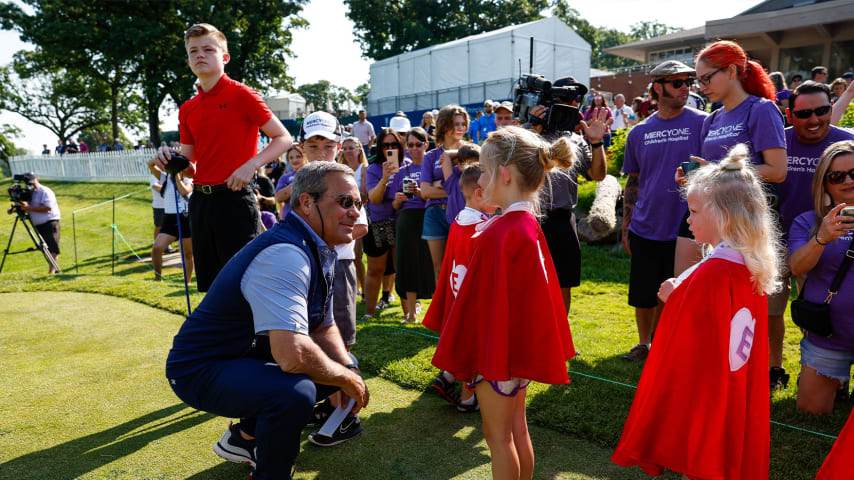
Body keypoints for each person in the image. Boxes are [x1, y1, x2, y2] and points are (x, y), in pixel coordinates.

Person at [165, 162, 369, 479]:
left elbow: (322, 326)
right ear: (306, 202)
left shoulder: (318, 246)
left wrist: (348, 369)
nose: (355, 212)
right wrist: (344, 379)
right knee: (294, 391)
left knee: (342, 361)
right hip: (198, 370)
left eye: (358, 203)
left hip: (239, 355)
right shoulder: (286, 254)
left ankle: (244, 437)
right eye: (345, 201)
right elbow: (292, 356)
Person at [612, 144, 780, 479]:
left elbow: (689, 342)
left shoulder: (714, 273)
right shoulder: (747, 265)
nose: (687, 219)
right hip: (733, 392)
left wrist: (676, 296)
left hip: (709, 395)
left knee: (704, 463)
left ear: (724, 215)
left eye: (694, 210)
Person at [431, 126, 576, 479]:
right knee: (516, 431)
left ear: (505, 175)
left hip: (499, 357)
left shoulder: (499, 231)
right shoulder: (526, 224)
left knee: (497, 437)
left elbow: (480, 303)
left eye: (483, 168)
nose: (479, 177)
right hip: (517, 353)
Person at [149, 23, 291, 292]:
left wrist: (251, 166)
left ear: (224, 57)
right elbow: (189, 164)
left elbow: (283, 138)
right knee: (211, 288)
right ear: (188, 59)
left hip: (235, 199)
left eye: (208, 49)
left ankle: (252, 336)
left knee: (244, 285)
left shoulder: (242, 94)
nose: (200, 55)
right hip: (200, 203)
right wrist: (168, 159)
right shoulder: (188, 108)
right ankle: (220, 336)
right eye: (193, 51)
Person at [620, 60, 709, 362]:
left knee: (678, 290)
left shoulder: (703, 122)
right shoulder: (639, 132)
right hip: (646, 225)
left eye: (688, 81)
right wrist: (625, 225)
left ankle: (665, 341)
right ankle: (644, 344)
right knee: (644, 292)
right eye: (677, 82)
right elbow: (633, 180)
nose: (686, 88)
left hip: (690, 226)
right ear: (658, 87)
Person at [772, 82, 854, 389]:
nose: (814, 119)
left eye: (822, 111)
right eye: (804, 113)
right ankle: (774, 368)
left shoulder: (848, 142)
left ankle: (835, 378)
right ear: (790, 114)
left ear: (831, 108)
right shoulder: (778, 142)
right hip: (778, 238)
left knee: (825, 306)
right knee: (772, 309)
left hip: (835, 241)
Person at [528, 76, 608, 313]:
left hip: (562, 219)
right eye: (565, 98)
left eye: (575, 99)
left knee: (564, 282)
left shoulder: (575, 139)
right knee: (529, 280)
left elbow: (597, 175)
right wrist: (533, 130)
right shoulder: (529, 132)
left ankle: (561, 340)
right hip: (530, 218)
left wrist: (596, 143)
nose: (571, 103)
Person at [789, 140, 854, 415]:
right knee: (811, 411)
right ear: (824, 183)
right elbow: (795, 267)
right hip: (827, 336)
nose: (848, 181)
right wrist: (821, 238)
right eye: (838, 176)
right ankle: (836, 380)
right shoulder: (808, 221)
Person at [424, 164, 493, 413]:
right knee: (474, 349)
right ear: (480, 193)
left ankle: (448, 376)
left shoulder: (457, 223)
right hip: (473, 300)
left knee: (463, 343)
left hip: (457, 294)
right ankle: (466, 398)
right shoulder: (481, 230)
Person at [421, 105, 469, 284]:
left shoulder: (471, 152)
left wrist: (440, 186)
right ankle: (442, 310)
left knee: (464, 264)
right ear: (444, 125)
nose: (460, 128)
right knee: (440, 268)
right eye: (455, 124)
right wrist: (455, 187)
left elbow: (472, 188)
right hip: (434, 214)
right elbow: (425, 192)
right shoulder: (431, 156)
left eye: (463, 124)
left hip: (463, 214)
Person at [391, 127, 435, 323]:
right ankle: (411, 314)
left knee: (433, 263)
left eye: (419, 145)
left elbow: (441, 194)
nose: (415, 149)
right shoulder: (402, 171)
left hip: (429, 216)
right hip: (408, 218)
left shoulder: (434, 166)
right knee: (407, 263)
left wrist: (421, 193)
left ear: (426, 145)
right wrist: (399, 200)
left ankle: (438, 309)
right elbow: (393, 204)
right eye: (411, 145)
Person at [364, 128, 406, 317]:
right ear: (380, 148)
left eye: (394, 144)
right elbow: (374, 198)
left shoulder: (408, 166)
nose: (390, 148)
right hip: (378, 225)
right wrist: (385, 178)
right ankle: (369, 312)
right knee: (375, 270)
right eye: (386, 145)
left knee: (402, 269)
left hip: (401, 224)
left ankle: (409, 312)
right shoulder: (373, 168)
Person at [9, 172, 61, 273]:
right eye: (29, 183)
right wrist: (16, 209)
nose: (31, 185)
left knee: (52, 248)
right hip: (39, 225)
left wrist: (28, 208)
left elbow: (48, 208)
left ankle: (51, 273)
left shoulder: (45, 191)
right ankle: (55, 270)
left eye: (32, 183)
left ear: (37, 179)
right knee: (45, 249)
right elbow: (28, 207)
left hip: (50, 222)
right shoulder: (29, 192)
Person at [150, 170, 194, 283]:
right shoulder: (166, 176)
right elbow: (151, 164)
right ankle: (157, 279)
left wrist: (178, 178)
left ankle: (187, 282)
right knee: (157, 248)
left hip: (184, 216)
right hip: (170, 218)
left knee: (187, 253)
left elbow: (184, 191)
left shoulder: (188, 178)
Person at [338, 136, 369, 298]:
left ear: (359, 149)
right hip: (344, 214)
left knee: (357, 254)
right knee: (351, 254)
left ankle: (364, 289)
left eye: (352, 148)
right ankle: (355, 288)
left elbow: (364, 195)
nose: (348, 151)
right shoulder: (340, 169)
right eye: (346, 148)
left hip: (360, 213)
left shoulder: (364, 168)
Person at [441, 143, 480, 226]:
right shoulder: (453, 182)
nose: (472, 167)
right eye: (468, 163)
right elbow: (446, 154)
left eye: (476, 164)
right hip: (456, 228)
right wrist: (463, 152)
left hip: (479, 227)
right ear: (459, 165)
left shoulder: (483, 183)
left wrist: (476, 150)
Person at [275, 146, 308, 216]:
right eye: (291, 158)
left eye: (298, 157)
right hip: (290, 217)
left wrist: (287, 191)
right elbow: (278, 198)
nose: (294, 160)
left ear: (304, 157)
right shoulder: (285, 178)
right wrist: (297, 184)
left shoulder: (312, 174)